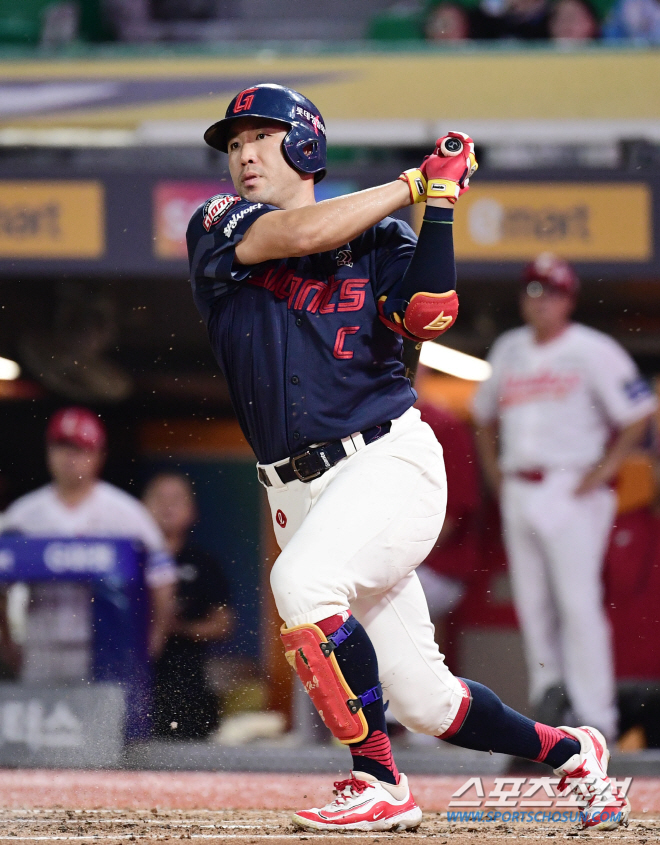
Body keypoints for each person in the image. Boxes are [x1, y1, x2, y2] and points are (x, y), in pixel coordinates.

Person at [185, 83, 628, 832]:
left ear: (304, 144)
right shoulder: (219, 223)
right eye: (233, 145)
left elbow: (430, 312)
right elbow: (296, 237)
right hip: (296, 493)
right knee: (425, 699)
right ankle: (571, 752)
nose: (244, 155)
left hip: (385, 464)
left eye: (260, 137)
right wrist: (411, 185)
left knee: (301, 581)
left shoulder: (384, 238)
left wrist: (441, 207)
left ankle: (378, 779)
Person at [472, 254, 656, 742]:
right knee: (534, 606)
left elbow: (639, 412)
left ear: (568, 299)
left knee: (578, 604)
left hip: (570, 487)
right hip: (519, 485)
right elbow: (483, 415)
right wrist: (495, 477)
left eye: (550, 292)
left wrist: (603, 471)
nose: (540, 301)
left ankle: (599, 721)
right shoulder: (509, 348)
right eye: (532, 291)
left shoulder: (593, 349)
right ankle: (552, 715)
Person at [0, 407, 177, 683]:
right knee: (43, 723)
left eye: (79, 449)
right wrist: (6, 639)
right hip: (43, 646)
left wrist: (155, 637)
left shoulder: (127, 513)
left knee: (102, 725)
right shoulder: (23, 515)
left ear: (98, 455)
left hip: (107, 649)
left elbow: (162, 582)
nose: (69, 458)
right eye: (61, 447)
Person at [142, 471, 233, 739]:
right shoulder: (128, 559)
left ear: (192, 511)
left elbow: (224, 624)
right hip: (136, 677)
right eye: (159, 498)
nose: (167, 506)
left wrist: (176, 628)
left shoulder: (203, 563)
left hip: (186, 681)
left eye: (176, 499)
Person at [415, 399, 480, 621]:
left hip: (437, 567)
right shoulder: (366, 426)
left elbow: (452, 516)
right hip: (395, 562)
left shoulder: (442, 425)